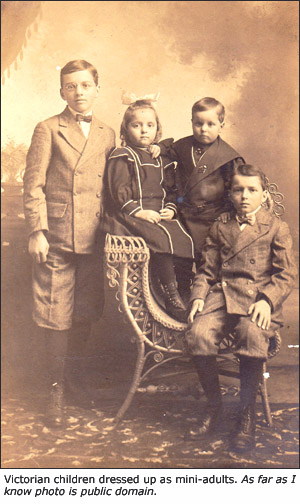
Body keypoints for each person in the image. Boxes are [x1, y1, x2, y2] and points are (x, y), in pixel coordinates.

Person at [23, 59, 115, 427]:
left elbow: (115, 183)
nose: (79, 92)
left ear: (96, 88)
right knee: (55, 314)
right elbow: (34, 185)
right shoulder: (48, 129)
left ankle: (76, 382)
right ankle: (56, 391)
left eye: (85, 85)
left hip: (95, 237)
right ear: (61, 91)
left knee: (84, 314)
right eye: (71, 86)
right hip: (57, 237)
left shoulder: (108, 133)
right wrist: (37, 231)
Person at [185, 164, 297, 452]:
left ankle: (246, 415)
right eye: (238, 190)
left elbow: (286, 274)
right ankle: (214, 408)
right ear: (230, 193)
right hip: (222, 297)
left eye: (252, 190)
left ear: (264, 194)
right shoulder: (221, 225)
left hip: (257, 299)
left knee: (251, 334)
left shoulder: (275, 227)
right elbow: (207, 270)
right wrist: (198, 295)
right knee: (198, 334)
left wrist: (267, 300)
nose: (245, 196)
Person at [101, 97, 194, 322]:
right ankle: (171, 297)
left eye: (149, 126)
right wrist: (138, 212)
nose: (144, 131)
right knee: (161, 239)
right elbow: (118, 191)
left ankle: (184, 290)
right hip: (132, 214)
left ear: (157, 129)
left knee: (186, 238)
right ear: (126, 129)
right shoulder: (122, 156)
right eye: (137, 125)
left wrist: (171, 209)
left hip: (159, 214)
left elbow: (171, 189)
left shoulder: (160, 157)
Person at [159, 97, 245, 299]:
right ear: (191, 123)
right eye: (198, 123)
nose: (203, 129)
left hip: (213, 217)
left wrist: (230, 214)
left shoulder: (227, 156)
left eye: (210, 124)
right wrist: (158, 149)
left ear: (221, 126)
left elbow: (236, 189)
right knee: (180, 255)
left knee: (208, 260)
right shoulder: (182, 146)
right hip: (184, 214)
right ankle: (181, 293)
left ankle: (207, 298)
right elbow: (166, 150)